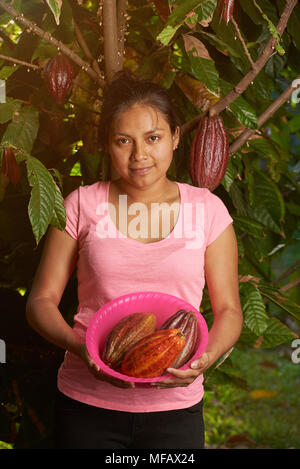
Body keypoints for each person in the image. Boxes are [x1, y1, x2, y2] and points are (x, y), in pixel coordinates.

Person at [25, 70, 243, 449]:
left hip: (174, 410)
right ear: (107, 145)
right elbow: (40, 302)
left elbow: (229, 310)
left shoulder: (208, 211)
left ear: (175, 138)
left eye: (153, 138)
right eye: (123, 141)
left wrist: (203, 360)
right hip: (86, 405)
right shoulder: (81, 204)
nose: (139, 155)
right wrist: (81, 348)